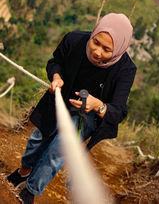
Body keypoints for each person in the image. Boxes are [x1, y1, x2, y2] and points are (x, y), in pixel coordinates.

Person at [7, 13, 137, 204]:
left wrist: (97, 105)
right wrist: (56, 76)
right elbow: (54, 62)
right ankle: (23, 172)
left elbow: (118, 111)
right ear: (92, 33)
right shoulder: (75, 40)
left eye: (107, 49)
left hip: (86, 116)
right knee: (38, 139)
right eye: (96, 42)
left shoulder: (125, 70)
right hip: (60, 99)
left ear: (119, 48)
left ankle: (31, 190)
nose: (97, 52)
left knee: (58, 151)